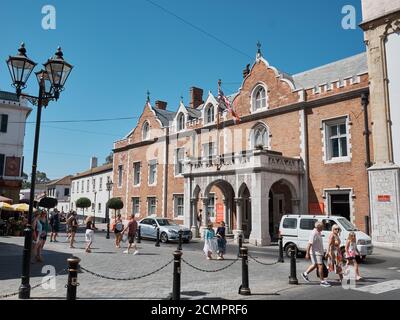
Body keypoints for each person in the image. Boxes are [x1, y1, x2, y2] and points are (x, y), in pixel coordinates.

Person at [301, 221, 331, 287]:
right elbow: (309, 244)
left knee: (314, 265)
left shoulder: (318, 232)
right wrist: (307, 253)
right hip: (316, 253)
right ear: (318, 227)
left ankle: (305, 273)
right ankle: (322, 281)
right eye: (322, 226)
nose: (323, 227)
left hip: (318, 252)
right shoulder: (314, 233)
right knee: (320, 266)